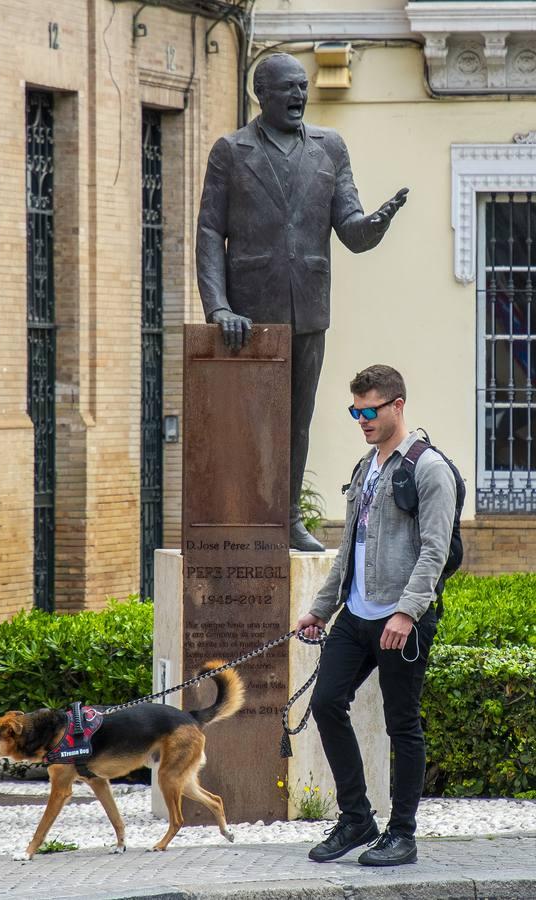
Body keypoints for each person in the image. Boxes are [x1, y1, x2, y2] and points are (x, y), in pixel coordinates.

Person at [196, 53, 408, 551]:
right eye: (287, 88)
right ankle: (239, 517)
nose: (298, 96)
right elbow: (209, 231)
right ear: (261, 94)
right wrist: (218, 307)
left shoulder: (330, 148)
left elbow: (351, 231)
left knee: (297, 420)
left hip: (308, 308)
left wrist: (376, 224)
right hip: (247, 314)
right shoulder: (231, 150)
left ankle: (286, 518)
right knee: (245, 421)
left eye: (302, 87)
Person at [296, 364, 456, 866]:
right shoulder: (366, 468)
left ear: (398, 406)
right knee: (325, 703)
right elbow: (348, 549)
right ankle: (357, 819)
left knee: (401, 724)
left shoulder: (429, 469)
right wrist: (321, 609)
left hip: (401, 620)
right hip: (358, 616)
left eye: (370, 410)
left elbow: (433, 551)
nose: (362, 419)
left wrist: (408, 612)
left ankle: (402, 834)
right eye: (355, 411)